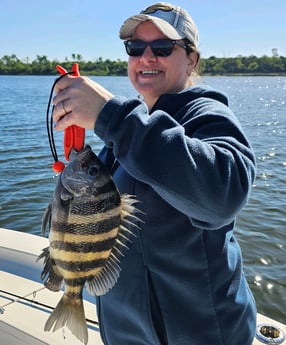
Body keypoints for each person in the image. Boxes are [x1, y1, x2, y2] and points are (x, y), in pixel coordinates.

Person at [52, 2, 257, 345]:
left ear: (191, 59)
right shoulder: (127, 131)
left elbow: (225, 194)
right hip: (125, 334)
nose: (146, 57)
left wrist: (111, 116)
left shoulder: (207, 116)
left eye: (162, 48)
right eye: (135, 47)